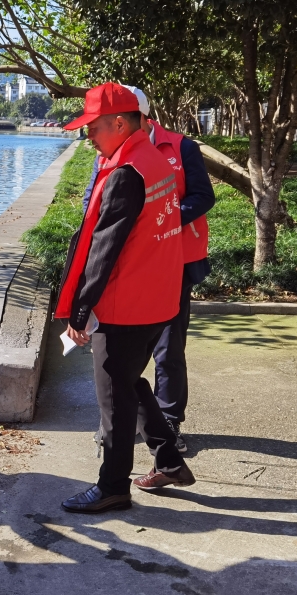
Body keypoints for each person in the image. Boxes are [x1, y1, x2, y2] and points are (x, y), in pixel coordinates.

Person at [56, 82, 195, 515]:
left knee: (114, 395)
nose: (89, 136)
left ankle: (113, 486)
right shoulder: (152, 159)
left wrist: (81, 308)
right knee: (128, 380)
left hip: (126, 302)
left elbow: (104, 248)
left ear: (119, 122)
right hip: (156, 298)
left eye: (93, 128)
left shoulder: (123, 173)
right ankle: (168, 459)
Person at [83, 87, 215, 452]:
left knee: (168, 347)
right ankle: (116, 425)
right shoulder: (113, 152)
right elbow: (95, 198)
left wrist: (161, 222)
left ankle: (169, 423)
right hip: (131, 268)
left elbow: (203, 196)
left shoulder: (180, 148)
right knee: (120, 360)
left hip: (174, 263)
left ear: (134, 118)